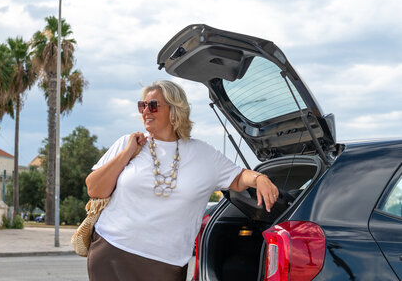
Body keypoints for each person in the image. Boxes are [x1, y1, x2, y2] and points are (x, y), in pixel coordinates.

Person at [85, 80, 279, 281]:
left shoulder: (202, 153)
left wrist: (260, 178)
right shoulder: (129, 143)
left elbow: (238, 178)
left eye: (152, 105)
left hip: (166, 264)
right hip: (113, 250)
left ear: (175, 110)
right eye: (142, 105)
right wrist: (127, 153)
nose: (145, 111)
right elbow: (94, 189)